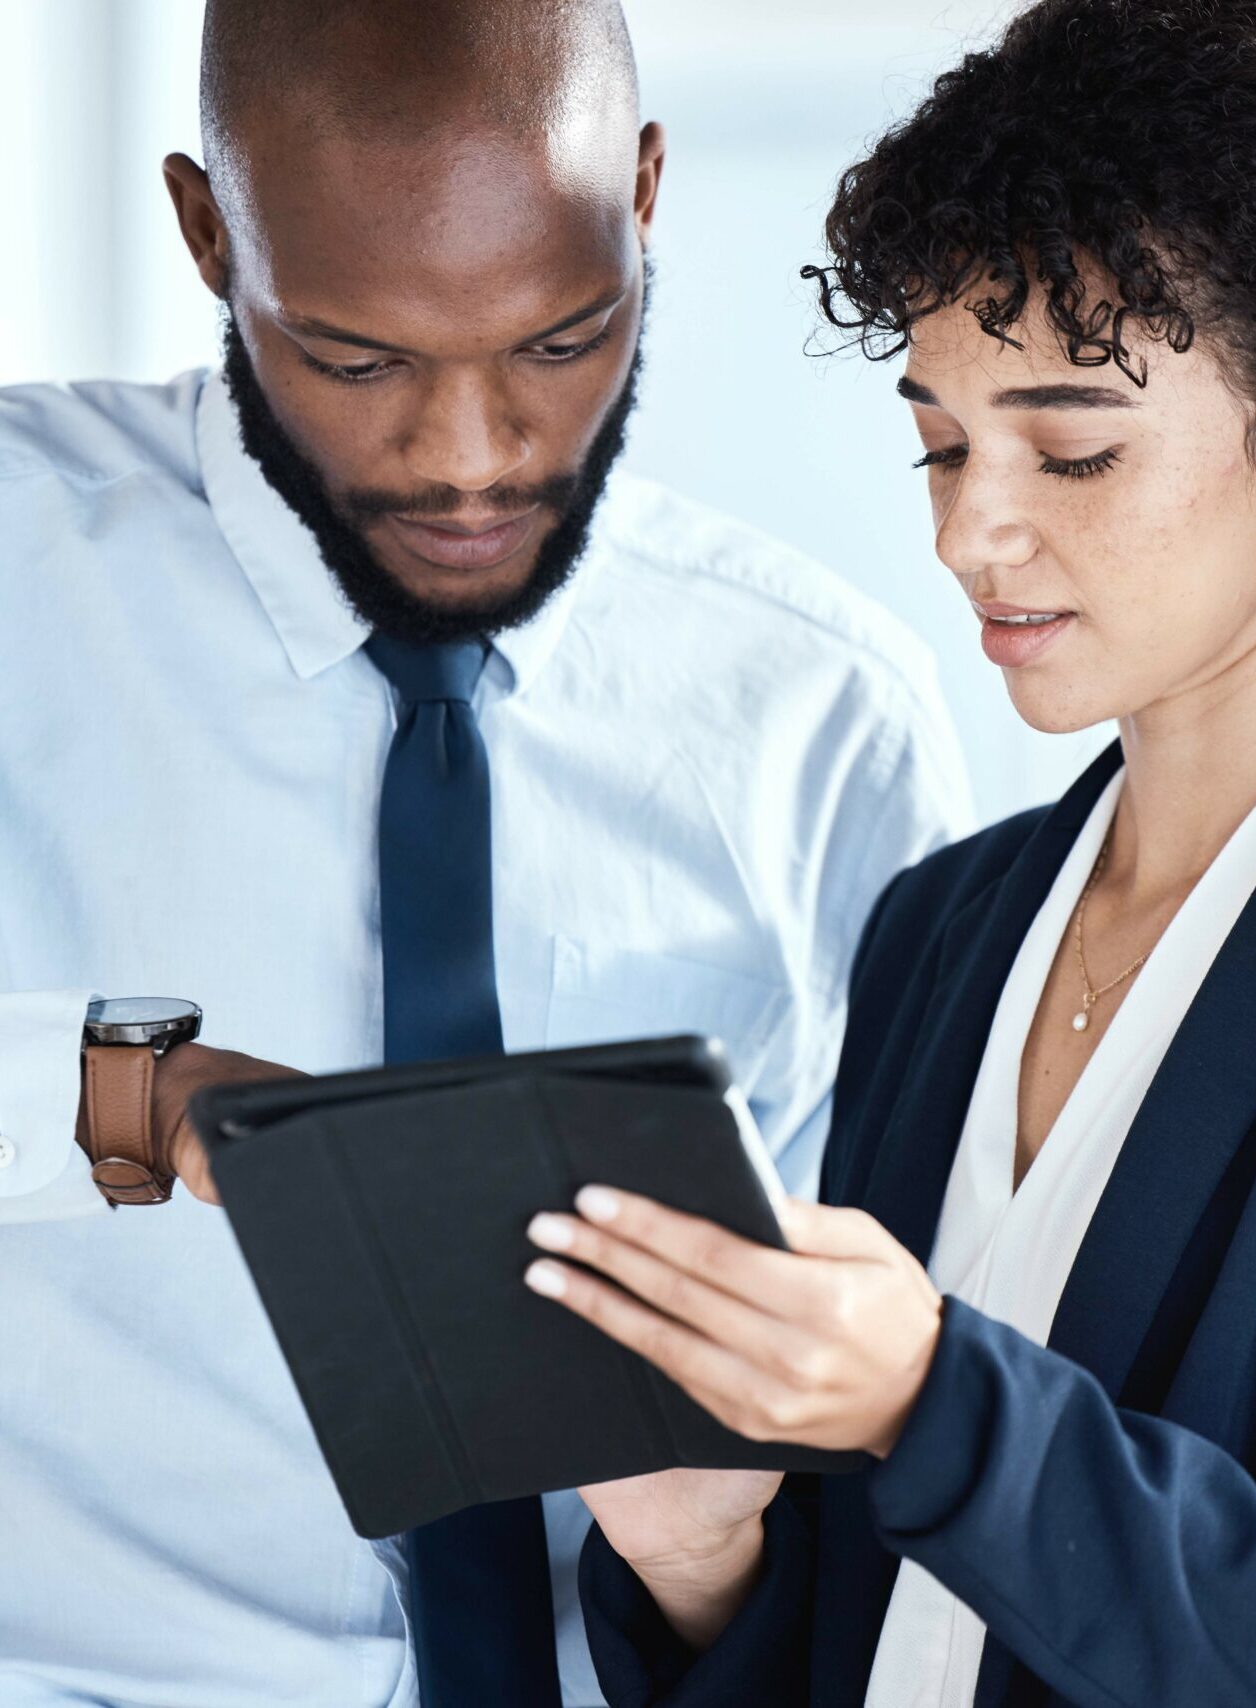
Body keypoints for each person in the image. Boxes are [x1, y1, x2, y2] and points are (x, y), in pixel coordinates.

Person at [525, 1, 1256, 1702]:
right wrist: (701, 1559)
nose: (970, 527)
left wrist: (933, 1402)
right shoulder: (943, 929)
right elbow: (864, 1635)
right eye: (942, 442)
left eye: (1072, 447)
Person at [0, 2, 969, 1705]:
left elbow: (877, 1444)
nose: (470, 457)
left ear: (648, 195)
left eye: (561, 338)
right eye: (358, 358)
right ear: (208, 230)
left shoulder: (828, 722)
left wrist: (708, 1560)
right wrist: (134, 1100)